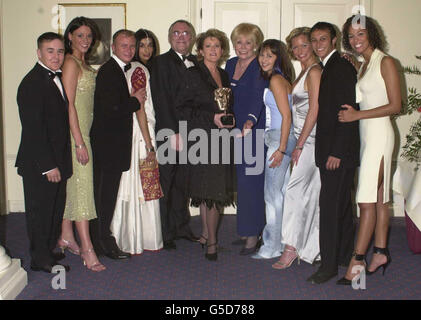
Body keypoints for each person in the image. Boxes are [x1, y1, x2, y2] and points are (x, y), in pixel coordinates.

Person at [336, 15, 401, 285]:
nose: (355, 40)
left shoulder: (385, 61)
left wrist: (357, 117)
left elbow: (396, 106)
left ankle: (357, 260)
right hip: (368, 138)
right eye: (350, 36)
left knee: (365, 202)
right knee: (378, 199)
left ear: (371, 33)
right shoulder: (364, 65)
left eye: (360, 34)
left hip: (380, 136)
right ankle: (381, 253)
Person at [306, 22, 360, 284]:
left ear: (334, 39)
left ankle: (328, 267)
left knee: (329, 208)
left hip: (338, 152)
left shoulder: (339, 67)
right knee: (341, 207)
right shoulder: (330, 66)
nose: (318, 44)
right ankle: (342, 255)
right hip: (333, 150)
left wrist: (337, 152)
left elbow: (348, 111)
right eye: (314, 40)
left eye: (323, 39)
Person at [176, 28, 236, 261]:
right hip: (202, 138)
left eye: (217, 46)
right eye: (208, 46)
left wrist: (227, 120)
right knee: (211, 192)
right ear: (200, 51)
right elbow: (182, 108)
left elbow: (225, 105)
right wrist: (211, 118)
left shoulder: (224, 74)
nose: (213, 50)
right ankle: (212, 242)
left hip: (222, 137)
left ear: (222, 50)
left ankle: (204, 234)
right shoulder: (193, 74)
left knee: (211, 190)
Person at [16, 32, 72, 273]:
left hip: (56, 159)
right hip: (39, 163)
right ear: (39, 53)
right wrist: (49, 165)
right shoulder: (31, 83)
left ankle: (48, 252)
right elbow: (34, 130)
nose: (56, 56)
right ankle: (40, 259)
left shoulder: (54, 78)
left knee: (54, 211)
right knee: (40, 213)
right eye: (50, 51)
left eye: (60, 51)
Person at [89, 29, 145, 260]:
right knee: (104, 196)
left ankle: (100, 238)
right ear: (113, 47)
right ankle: (103, 241)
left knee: (106, 195)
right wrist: (135, 101)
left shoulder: (121, 70)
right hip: (107, 145)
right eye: (124, 46)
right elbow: (111, 109)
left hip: (113, 145)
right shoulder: (109, 71)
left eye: (132, 46)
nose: (129, 50)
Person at [58, 17, 105, 272]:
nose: (85, 40)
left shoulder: (83, 62)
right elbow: (68, 104)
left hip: (84, 132)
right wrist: (78, 142)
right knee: (84, 190)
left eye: (88, 36)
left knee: (75, 188)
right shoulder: (70, 62)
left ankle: (66, 234)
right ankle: (87, 249)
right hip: (76, 136)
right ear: (70, 37)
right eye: (80, 36)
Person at [272, 27, 322, 268]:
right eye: (295, 46)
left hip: (311, 141)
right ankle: (310, 249)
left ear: (312, 45)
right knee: (309, 194)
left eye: (305, 45)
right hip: (304, 139)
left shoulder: (314, 72)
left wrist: (300, 145)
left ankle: (290, 248)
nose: (300, 50)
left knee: (294, 192)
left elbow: (315, 110)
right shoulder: (304, 71)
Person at [150, 20, 199, 250]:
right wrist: (173, 133)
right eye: (176, 33)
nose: (181, 37)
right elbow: (161, 100)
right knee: (167, 183)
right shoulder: (160, 63)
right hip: (170, 133)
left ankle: (182, 227)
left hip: (192, 133)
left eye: (186, 33)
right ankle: (166, 231)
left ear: (192, 38)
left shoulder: (196, 62)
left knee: (184, 182)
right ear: (170, 37)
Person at [110, 40, 163, 254]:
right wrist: (149, 143)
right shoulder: (138, 69)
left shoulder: (133, 68)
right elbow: (140, 107)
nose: (145, 50)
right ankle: (138, 237)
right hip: (140, 133)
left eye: (149, 46)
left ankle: (129, 235)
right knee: (139, 182)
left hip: (135, 131)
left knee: (136, 184)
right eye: (140, 46)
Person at [225, 23, 268, 255]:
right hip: (234, 130)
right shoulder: (230, 64)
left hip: (253, 131)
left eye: (248, 42)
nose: (243, 47)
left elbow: (258, 97)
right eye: (239, 42)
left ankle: (253, 235)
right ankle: (245, 229)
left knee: (251, 183)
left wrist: (250, 120)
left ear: (256, 45)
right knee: (241, 183)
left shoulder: (259, 66)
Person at [251, 39, 296, 260]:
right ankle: (283, 242)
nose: (264, 59)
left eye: (269, 55)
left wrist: (280, 148)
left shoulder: (277, 80)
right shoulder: (282, 79)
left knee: (272, 196)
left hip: (280, 139)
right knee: (281, 193)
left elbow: (287, 116)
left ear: (279, 58)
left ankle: (271, 246)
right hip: (281, 138)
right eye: (262, 54)